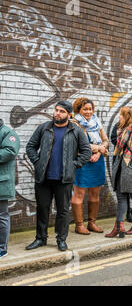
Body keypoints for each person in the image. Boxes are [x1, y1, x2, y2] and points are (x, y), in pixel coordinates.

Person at [25, 101, 91, 251]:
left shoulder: (76, 131)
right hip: (44, 178)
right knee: (42, 208)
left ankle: (61, 239)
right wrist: (38, 162)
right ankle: (40, 238)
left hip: (64, 179)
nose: (57, 113)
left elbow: (86, 152)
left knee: (62, 211)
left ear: (69, 115)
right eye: (56, 110)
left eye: (61, 111)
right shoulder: (44, 128)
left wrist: (73, 165)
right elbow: (31, 147)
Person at [70, 98, 109, 235]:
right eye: (85, 109)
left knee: (95, 193)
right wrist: (99, 149)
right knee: (79, 194)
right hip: (82, 161)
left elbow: (106, 140)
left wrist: (99, 151)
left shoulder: (96, 121)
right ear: (79, 110)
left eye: (90, 109)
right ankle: (79, 225)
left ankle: (92, 223)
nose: (88, 112)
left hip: (96, 161)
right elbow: (82, 145)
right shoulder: (75, 123)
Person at [107, 107, 132, 238]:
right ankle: (119, 226)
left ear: (127, 117)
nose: (119, 117)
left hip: (131, 170)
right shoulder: (121, 130)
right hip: (119, 168)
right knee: (121, 197)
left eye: (121, 115)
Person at [0, 119, 20, 259]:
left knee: (1, 215)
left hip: (1, 182)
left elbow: (10, 151)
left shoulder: (7, 132)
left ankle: (2, 248)